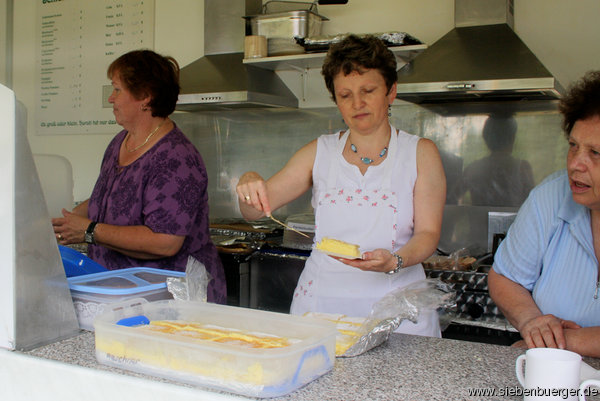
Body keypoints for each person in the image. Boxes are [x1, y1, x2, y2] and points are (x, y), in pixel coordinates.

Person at [236, 35, 446, 336]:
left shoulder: (420, 153)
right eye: (345, 95)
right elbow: (254, 212)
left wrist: (395, 260)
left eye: (368, 91)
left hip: (399, 314)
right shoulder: (318, 152)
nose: (357, 103)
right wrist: (248, 184)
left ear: (391, 92)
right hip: (322, 310)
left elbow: (428, 233)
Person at [51, 50, 226, 304]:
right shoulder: (120, 142)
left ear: (145, 96)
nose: (111, 98)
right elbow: (108, 197)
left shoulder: (175, 157)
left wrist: (89, 230)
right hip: (121, 292)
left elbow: (165, 242)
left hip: (168, 300)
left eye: (117, 90)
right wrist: (61, 224)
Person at [489, 70, 600, 358]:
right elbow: (505, 278)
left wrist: (554, 343)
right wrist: (532, 322)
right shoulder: (550, 196)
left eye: (596, 153)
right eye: (573, 146)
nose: (576, 164)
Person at [459, 113, 534, 207]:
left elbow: (453, 201)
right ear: (512, 138)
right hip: (518, 222)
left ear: (486, 138)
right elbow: (532, 205)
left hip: (478, 222)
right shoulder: (523, 168)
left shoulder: (473, 169)